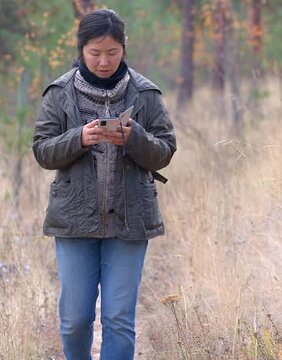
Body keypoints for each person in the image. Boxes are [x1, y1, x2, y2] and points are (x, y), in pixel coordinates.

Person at [32, 9, 176, 360]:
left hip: (130, 221)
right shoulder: (59, 93)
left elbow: (165, 151)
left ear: (124, 49)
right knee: (75, 320)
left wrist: (134, 138)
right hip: (74, 222)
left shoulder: (145, 94)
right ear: (81, 49)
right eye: (95, 53)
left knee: (118, 319)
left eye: (112, 53)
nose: (103, 61)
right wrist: (78, 138)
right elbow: (42, 151)